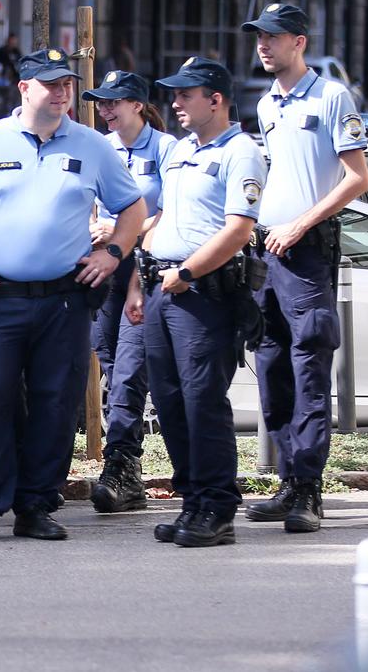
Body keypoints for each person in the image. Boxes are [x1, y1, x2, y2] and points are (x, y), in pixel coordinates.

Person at [0, 48, 146, 544]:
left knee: (55, 402)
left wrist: (112, 253)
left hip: (65, 299)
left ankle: (36, 506)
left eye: (67, 82)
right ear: (25, 89)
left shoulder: (93, 146)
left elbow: (132, 207)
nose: (63, 91)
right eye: (51, 84)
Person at [125, 57, 266, 547]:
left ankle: (218, 507)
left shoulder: (241, 152)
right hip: (164, 285)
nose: (176, 103)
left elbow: (238, 229)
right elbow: (163, 216)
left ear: (216, 99)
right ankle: (192, 502)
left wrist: (187, 272)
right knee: (169, 401)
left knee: (203, 400)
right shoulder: (181, 149)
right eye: (175, 94)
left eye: (186, 95)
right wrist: (139, 281)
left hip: (202, 291)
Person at [242, 3, 368, 533]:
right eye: (258, 38)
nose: (263, 46)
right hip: (267, 251)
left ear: (300, 41)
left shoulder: (332, 96)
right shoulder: (267, 103)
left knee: (308, 365)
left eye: (273, 37)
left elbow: (356, 178)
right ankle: (289, 477)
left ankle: (309, 490)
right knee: (271, 368)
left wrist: (299, 223)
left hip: (307, 248)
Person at [80, 71, 176, 514]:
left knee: (132, 370)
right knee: (113, 364)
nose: (105, 110)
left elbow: (174, 210)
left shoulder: (166, 149)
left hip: (145, 271)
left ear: (138, 105)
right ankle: (133, 467)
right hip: (107, 271)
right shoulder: (100, 149)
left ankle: (120, 463)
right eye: (100, 103)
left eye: (113, 102)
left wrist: (128, 230)